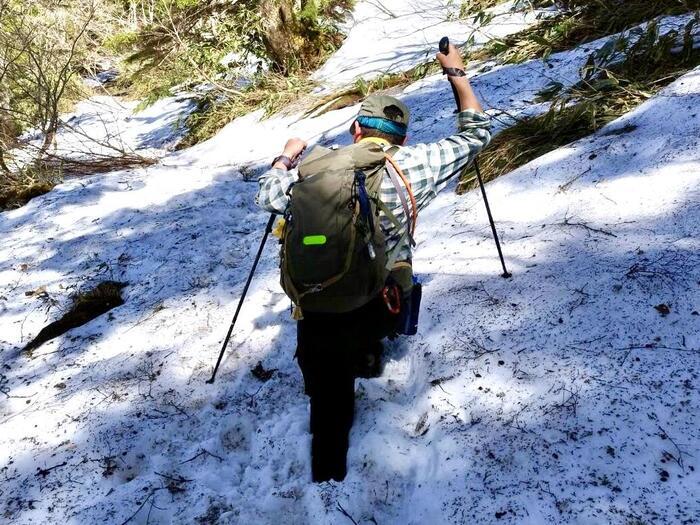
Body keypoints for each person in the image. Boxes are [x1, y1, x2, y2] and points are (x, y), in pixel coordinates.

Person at [255, 43, 491, 482]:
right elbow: (477, 133)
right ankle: (367, 352)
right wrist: (455, 70)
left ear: (355, 130)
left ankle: (327, 473)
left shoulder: (316, 170)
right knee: (395, 279)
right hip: (378, 304)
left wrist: (286, 156)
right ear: (400, 138)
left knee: (327, 396)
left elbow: (267, 195)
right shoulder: (415, 164)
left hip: (318, 307)